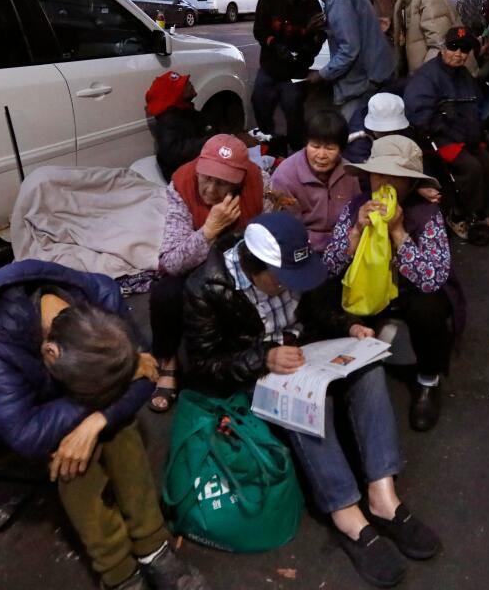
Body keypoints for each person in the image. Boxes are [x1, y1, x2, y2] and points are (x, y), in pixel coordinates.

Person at [184, 212, 441, 588]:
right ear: (254, 268)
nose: (292, 286)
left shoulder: (292, 267)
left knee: (369, 368)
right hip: (256, 372)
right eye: (283, 280)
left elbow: (318, 310)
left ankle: (382, 495)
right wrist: (262, 358)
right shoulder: (206, 287)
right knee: (310, 398)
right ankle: (344, 511)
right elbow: (203, 365)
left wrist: (347, 327)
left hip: (306, 351)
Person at [0, 260, 208, 590]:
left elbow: (145, 372)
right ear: (49, 351)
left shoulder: (100, 295)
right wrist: (97, 407)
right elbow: (26, 435)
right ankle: (118, 571)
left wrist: (97, 418)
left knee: (114, 429)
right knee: (73, 455)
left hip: (53, 401)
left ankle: (152, 547)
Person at [325, 136, 465, 432]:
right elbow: (330, 265)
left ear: (411, 183)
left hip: (409, 292)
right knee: (325, 295)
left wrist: (398, 232)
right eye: (379, 174)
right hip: (367, 290)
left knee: (429, 307)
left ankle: (428, 381)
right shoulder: (357, 207)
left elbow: (433, 277)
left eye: (395, 177)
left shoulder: (426, 215)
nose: (384, 183)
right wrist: (357, 231)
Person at [148, 134, 265, 412]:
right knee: (164, 291)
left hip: (241, 259)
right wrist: (208, 231)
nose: (210, 189)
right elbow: (171, 261)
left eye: (222, 182)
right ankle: (168, 361)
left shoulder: (259, 184)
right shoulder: (182, 185)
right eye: (206, 178)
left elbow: (269, 237)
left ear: (238, 182)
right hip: (196, 262)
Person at [404, 27, 489, 240]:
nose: (458, 53)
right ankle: (458, 215)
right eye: (453, 47)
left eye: (464, 49)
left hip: (464, 135)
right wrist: (446, 128)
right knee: (471, 167)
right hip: (439, 136)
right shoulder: (427, 76)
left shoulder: (464, 74)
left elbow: (475, 104)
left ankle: (480, 213)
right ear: (443, 48)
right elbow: (419, 113)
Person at [283, 0, 395, 121]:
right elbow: (351, 28)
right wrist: (327, 25)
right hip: (372, 72)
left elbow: (349, 49)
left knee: (352, 133)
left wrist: (323, 74)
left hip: (368, 78)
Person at [269, 110, 360, 253]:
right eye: (315, 147)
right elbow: (287, 230)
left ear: (341, 150)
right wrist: (325, 242)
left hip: (344, 245)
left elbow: (355, 217)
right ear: (305, 144)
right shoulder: (285, 177)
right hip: (301, 247)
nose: (321, 155)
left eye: (330, 148)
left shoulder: (350, 173)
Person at [252, 0, 325, 152]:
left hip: (295, 72)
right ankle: (271, 145)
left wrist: (306, 48)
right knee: (259, 103)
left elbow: (319, 37)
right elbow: (259, 30)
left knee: (294, 113)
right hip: (270, 68)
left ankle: (297, 151)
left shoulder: (309, 2)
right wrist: (274, 45)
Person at [145, 71, 214, 181]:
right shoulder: (168, 120)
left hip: (195, 165)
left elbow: (206, 126)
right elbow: (174, 152)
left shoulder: (185, 111)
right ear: (174, 94)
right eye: (184, 84)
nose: (190, 83)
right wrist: (211, 142)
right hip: (180, 175)